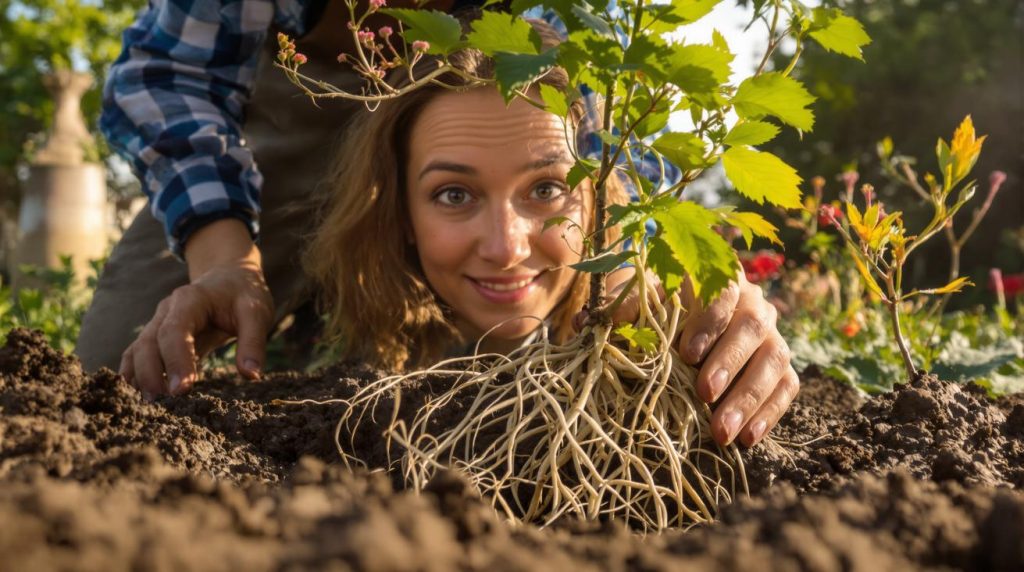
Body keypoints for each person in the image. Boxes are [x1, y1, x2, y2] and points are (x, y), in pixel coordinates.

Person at [93, 3, 797, 448]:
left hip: (489, 102)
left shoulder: (577, 22)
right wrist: (223, 260)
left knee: (525, 325)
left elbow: (610, 133)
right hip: (283, 109)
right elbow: (166, 74)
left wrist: (665, 276)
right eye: (455, 199)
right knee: (114, 377)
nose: (505, 245)